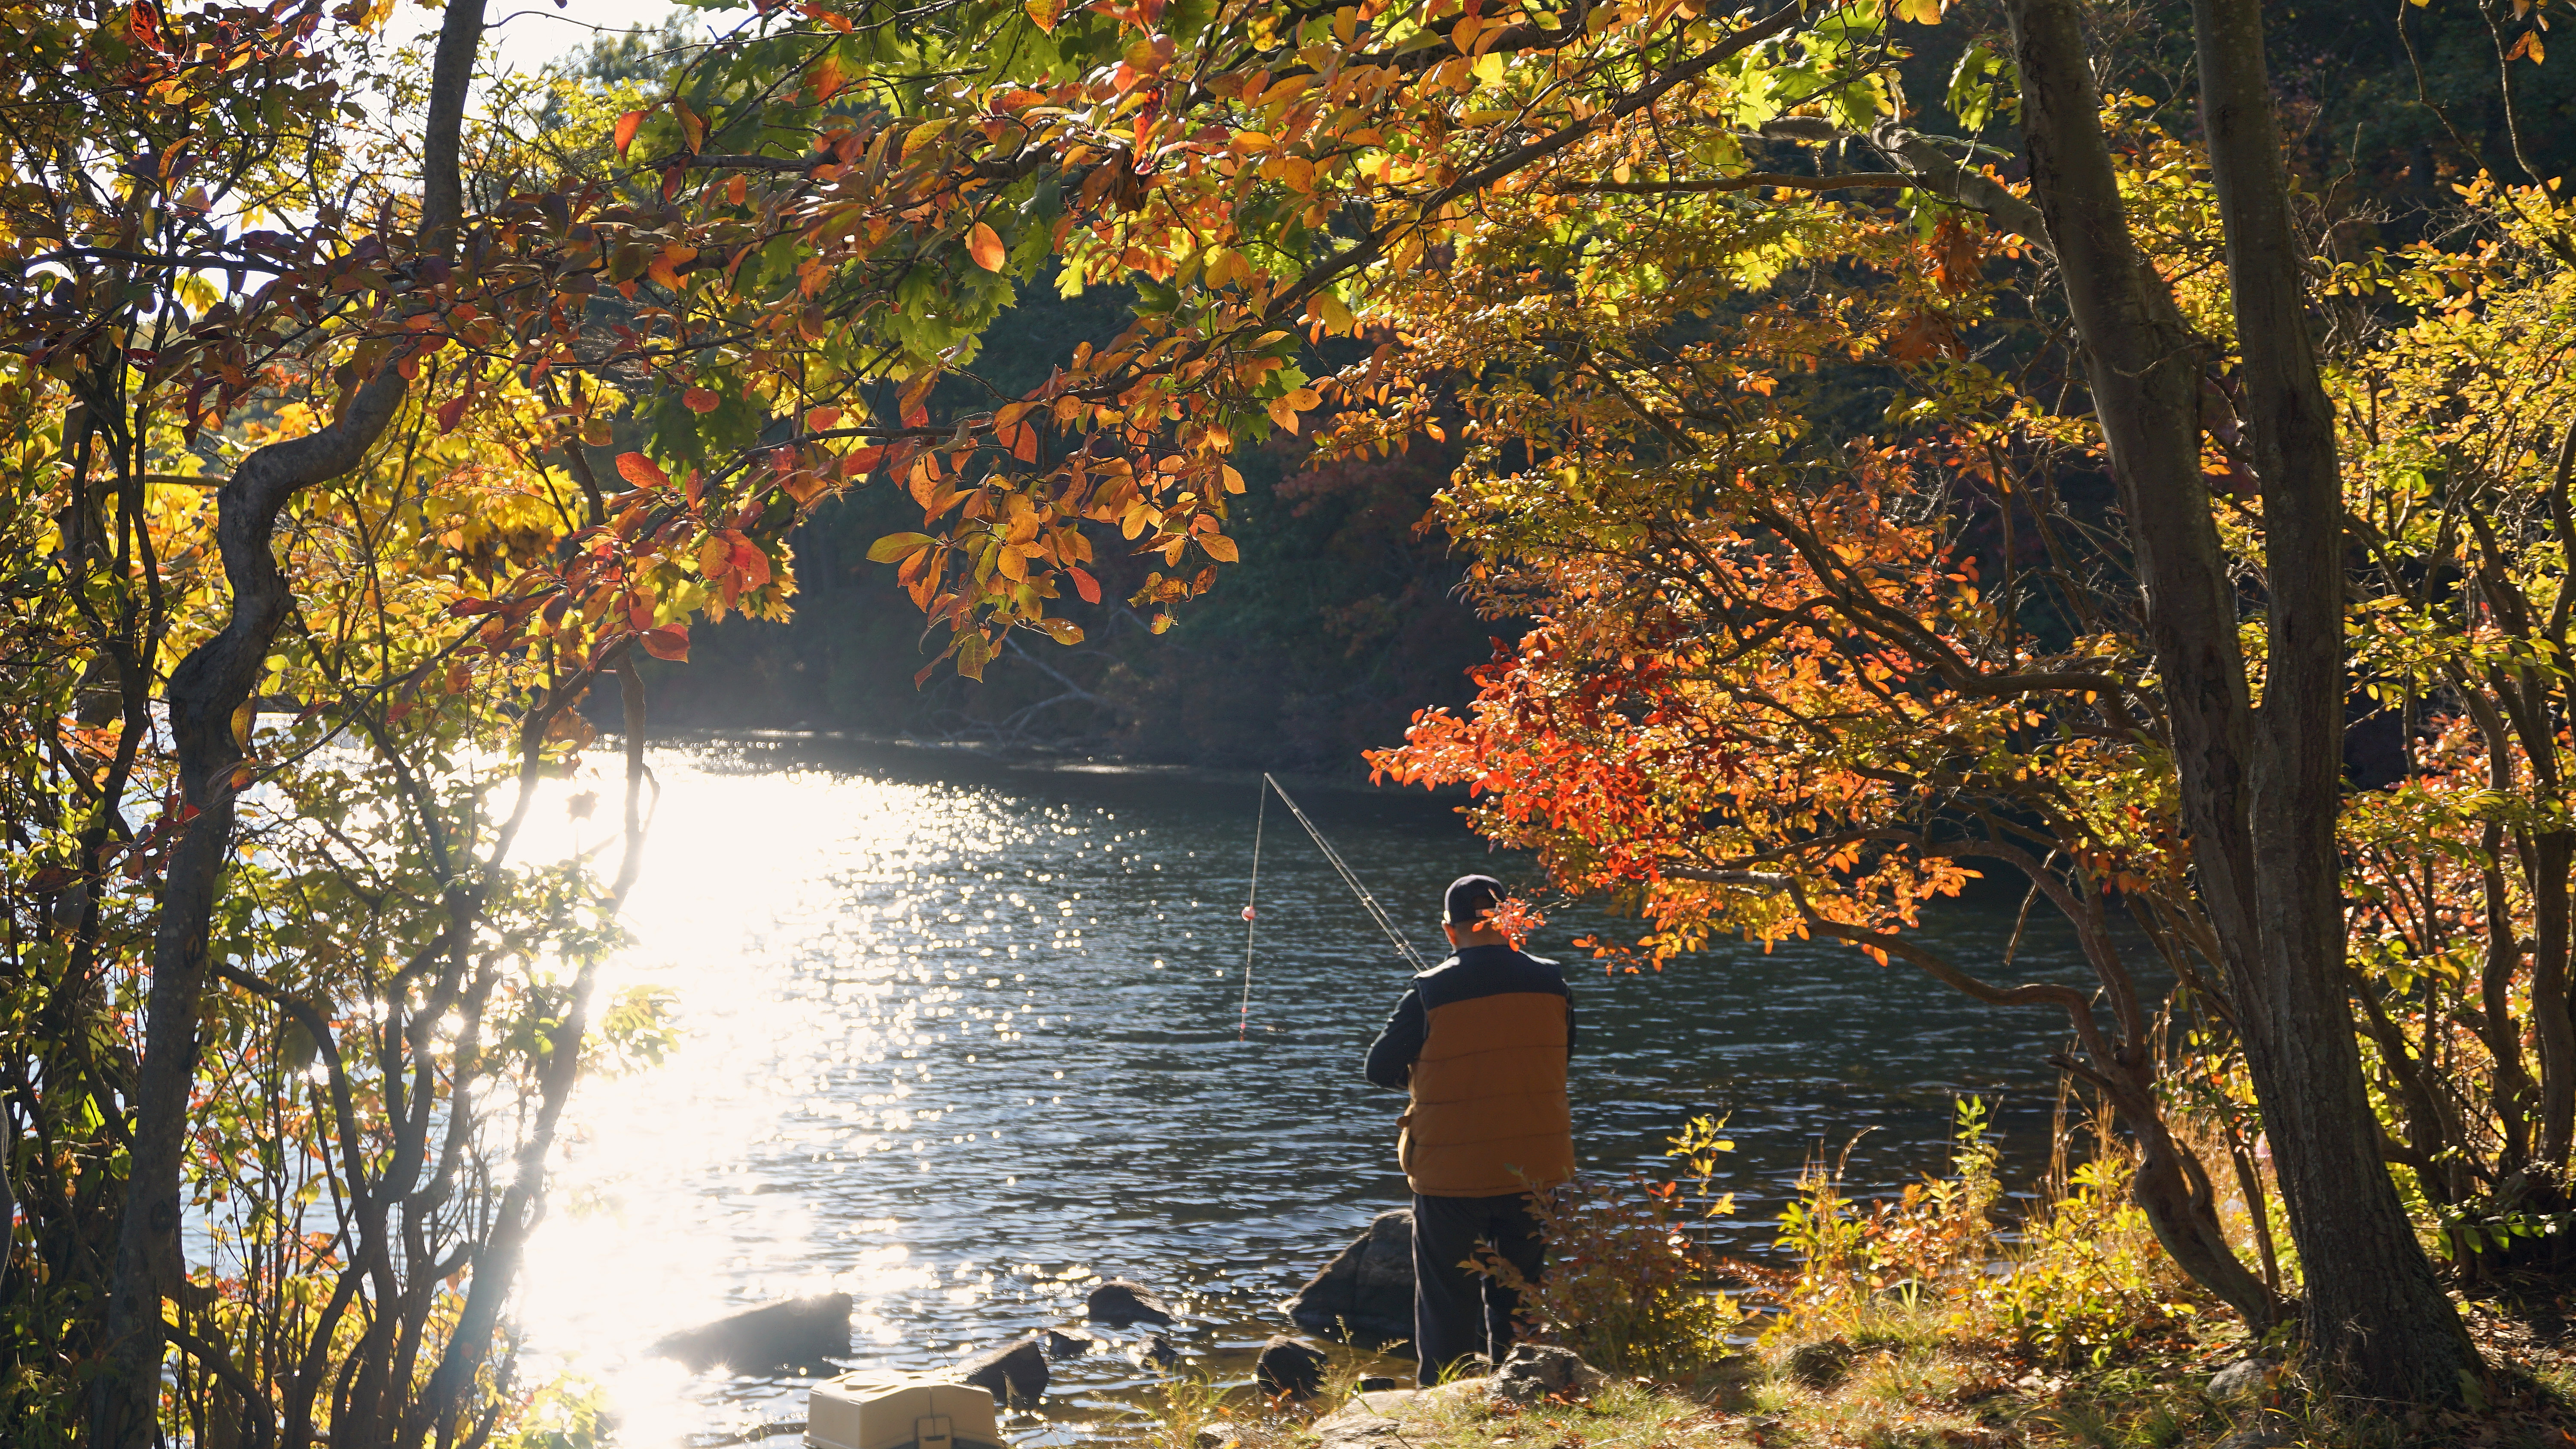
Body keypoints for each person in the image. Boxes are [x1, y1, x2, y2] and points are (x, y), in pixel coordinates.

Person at [1364, 874, 1577, 1385]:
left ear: (1449, 930)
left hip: (1450, 1171)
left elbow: (1379, 1067)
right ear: (1511, 924)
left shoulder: (1431, 989)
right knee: (1523, 1292)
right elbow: (1562, 1056)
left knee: (1446, 1298)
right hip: (1537, 1166)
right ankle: (1523, 1391)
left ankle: (1442, 1402)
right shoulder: (1554, 983)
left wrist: (1431, 1076)